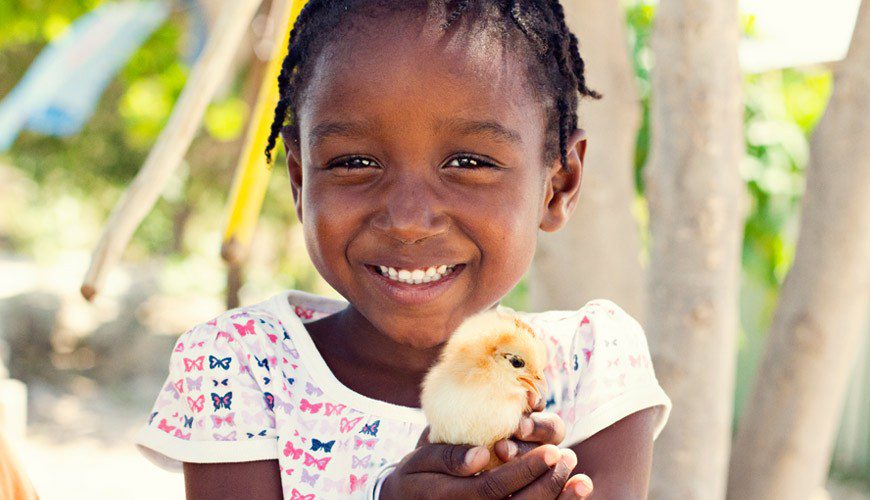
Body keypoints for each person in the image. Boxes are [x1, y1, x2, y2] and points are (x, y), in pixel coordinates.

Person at [135, 1, 672, 498]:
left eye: (468, 162)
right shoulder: (243, 368)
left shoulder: (589, 365)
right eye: (354, 162)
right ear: (300, 181)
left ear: (558, 185)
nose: (410, 220)